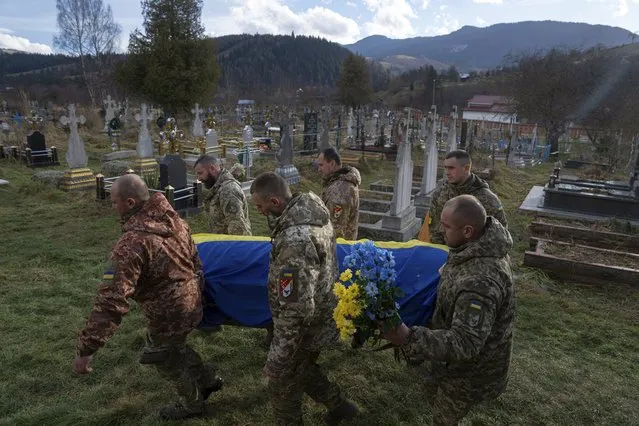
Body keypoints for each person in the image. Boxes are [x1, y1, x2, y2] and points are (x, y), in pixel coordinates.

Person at [72, 174, 222, 420]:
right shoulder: (176, 222)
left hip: (167, 311)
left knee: (163, 357)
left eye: (113, 202)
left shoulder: (132, 244)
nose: (112, 207)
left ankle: (193, 405)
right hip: (191, 300)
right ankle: (208, 379)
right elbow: (196, 261)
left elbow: (111, 299)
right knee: (175, 347)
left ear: (130, 203)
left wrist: (87, 348)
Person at [383, 194, 515, 426]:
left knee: (444, 419)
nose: (440, 231)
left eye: (446, 226)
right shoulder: (475, 247)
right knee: (433, 397)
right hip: (451, 365)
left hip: (469, 374)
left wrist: (409, 337)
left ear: (467, 231)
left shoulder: (480, 283)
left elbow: (466, 343)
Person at [250, 172, 357, 425]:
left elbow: (295, 310)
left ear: (275, 202)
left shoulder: (294, 241)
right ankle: (340, 406)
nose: (260, 212)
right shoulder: (313, 211)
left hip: (304, 327)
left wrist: (278, 357)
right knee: (303, 369)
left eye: (260, 207)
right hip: (322, 313)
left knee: (283, 389)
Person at [428, 150, 507, 245]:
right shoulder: (439, 194)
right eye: (445, 168)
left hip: (474, 257)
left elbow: (501, 236)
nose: (447, 172)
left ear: (466, 168)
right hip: (443, 254)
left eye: (451, 168)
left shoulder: (488, 199)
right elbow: (435, 229)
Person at [194, 154, 252, 236]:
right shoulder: (219, 188)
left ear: (212, 168)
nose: (199, 178)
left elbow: (239, 231)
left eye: (200, 173)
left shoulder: (228, 190)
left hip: (229, 246)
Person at [317, 147, 361, 240]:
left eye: (321, 165)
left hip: (339, 249)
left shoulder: (341, 190)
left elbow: (336, 230)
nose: (319, 170)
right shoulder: (336, 183)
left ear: (332, 164)